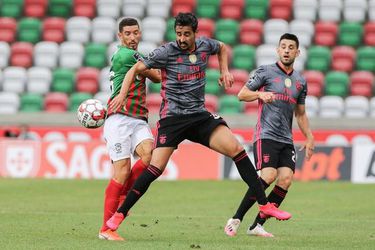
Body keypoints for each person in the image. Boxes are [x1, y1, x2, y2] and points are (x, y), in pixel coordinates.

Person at [105, 12, 292, 236]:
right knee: (155, 168)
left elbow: (222, 47)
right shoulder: (166, 51)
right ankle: (119, 214)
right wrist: (122, 94)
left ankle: (264, 205)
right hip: (172, 119)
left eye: (186, 34)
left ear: (195, 33)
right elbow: (136, 68)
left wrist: (224, 70)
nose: (182, 39)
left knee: (237, 149)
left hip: (198, 116)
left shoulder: (205, 45)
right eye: (179, 34)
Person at [224, 33, 315, 237]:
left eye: (291, 47)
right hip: (265, 135)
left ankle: (256, 225)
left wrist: (309, 136)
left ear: (297, 52)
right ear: (277, 50)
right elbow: (241, 94)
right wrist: (260, 94)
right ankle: (236, 218)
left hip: (286, 138)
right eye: (283, 46)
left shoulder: (300, 81)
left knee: (285, 180)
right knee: (268, 175)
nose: (286, 50)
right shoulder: (265, 72)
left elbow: (300, 113)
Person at [98, 17, 161, 241]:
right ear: (120, 36)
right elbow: (156, 76)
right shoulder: (127, 55)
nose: (133, 37)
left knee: (150, 156)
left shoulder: (133, 55)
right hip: (120, 119)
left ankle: (124, 194)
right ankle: (106, 229)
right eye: (128, 34)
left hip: (138, 117)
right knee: (122, 171)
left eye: (136, 33)